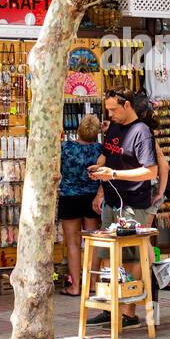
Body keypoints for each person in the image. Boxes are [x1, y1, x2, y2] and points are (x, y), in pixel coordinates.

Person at [88, 89, 159, 329]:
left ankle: (128, 313)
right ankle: (111, 307)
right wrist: (98, 173)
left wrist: (115, 174)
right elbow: (106, 158)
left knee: (130, 257)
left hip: (133, 203)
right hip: (111, 199)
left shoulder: (142, 132)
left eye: (114, 109)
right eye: (107, 109)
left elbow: (151, 171)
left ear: (127, 105)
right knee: (109, 256)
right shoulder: (114, 128)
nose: (110, 114)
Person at [58, 114, 103, 296]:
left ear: (78, 129)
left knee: (73, 243)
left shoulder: (66, 148)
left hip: (69, 197)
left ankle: (76, 286)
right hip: (92, 198)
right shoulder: (100, 150)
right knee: (92, 242)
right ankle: (92, 283)